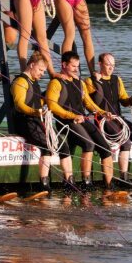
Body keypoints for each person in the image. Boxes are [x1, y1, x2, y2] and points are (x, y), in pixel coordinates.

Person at [45, 51, 115, 192]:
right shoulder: (55, 83)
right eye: (73, 66)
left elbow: (88, 103)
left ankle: (109, 186)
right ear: (64, 65)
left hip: (81, 119)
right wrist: (72, 115)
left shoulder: (80, 83)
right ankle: (86, 183)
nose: (76, 69)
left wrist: (103, 112)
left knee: (106, 148)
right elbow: (52, 106)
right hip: (66, 121)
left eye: (77, 66)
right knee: (89, 144)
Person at [85, 53, 132, 186]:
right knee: (125, 142)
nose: (111, 68)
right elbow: (89, 103)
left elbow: (124, 100)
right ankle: (124, 178)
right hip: (103, 120)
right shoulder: (90, 81)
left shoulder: (117, 80)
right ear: (100, 64)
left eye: (113, 65)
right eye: (108, 65)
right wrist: (97, 82)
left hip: (118, 119)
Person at [9, 51, 54, 194]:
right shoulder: (20, 82)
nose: (42, 74)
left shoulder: (34, 82)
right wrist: (35, 112)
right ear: (32, 65)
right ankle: (44, 184)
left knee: (54, 144)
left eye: (44, 71)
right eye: (40, 70)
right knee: (46, 146)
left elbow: (36, 102)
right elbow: (19, 105)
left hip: (35, 120)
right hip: (23, 121)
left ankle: (60, 181)